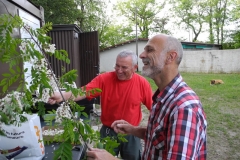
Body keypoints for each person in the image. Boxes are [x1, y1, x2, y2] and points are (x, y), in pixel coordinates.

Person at [86, 34, 207, 160]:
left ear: (170, 57)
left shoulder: (184, 109)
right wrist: (133, 130)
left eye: (150, 50)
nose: (142, 55)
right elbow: (160, 137)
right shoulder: (163, 98)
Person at [48, 50, 153, 160]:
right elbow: (84, 91)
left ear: (134, 67)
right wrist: (61, 96)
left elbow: (154, 108)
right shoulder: (104, 79)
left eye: (124, 67)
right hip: (108, 131)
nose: (119, 70)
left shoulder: (142, 83)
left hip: (131, 133)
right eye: (117, 66)